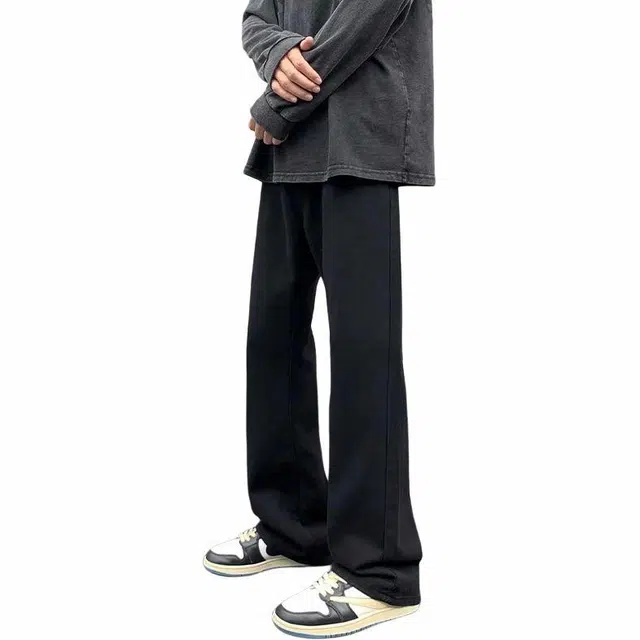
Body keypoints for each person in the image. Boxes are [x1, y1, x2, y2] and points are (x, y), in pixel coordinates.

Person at [204, 0, 434, 636]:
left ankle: (380, 571)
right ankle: (295, 523)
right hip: (292, 149)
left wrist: (278, 103)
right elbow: (256, 17)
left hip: (361, 133)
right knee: (271, 337)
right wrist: (276, 53)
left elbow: (369, 12)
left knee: (364, 353)